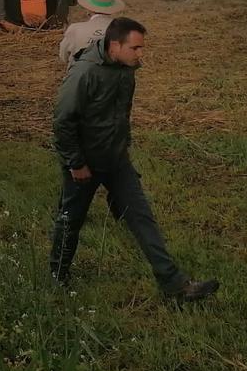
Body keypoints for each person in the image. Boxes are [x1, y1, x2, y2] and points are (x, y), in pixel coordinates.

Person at [50, 17, 219, 303]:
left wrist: (122, 148)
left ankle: (175, 286)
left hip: (116, 161)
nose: (141, 54)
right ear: (115, 45)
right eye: (136, 48)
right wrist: (76, 164)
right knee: (71, 221)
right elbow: (62, 122)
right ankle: (57, 278)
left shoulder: (127, 69)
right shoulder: (84, 73)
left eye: (142, 48)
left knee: (142, 218)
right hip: (84, 164)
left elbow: (120, 113)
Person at [59, 0, 125, 66]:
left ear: (88, 8)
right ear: (112, 8)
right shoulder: (124, 30)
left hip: (81, 76)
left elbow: (63, 57)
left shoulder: (75, 29)